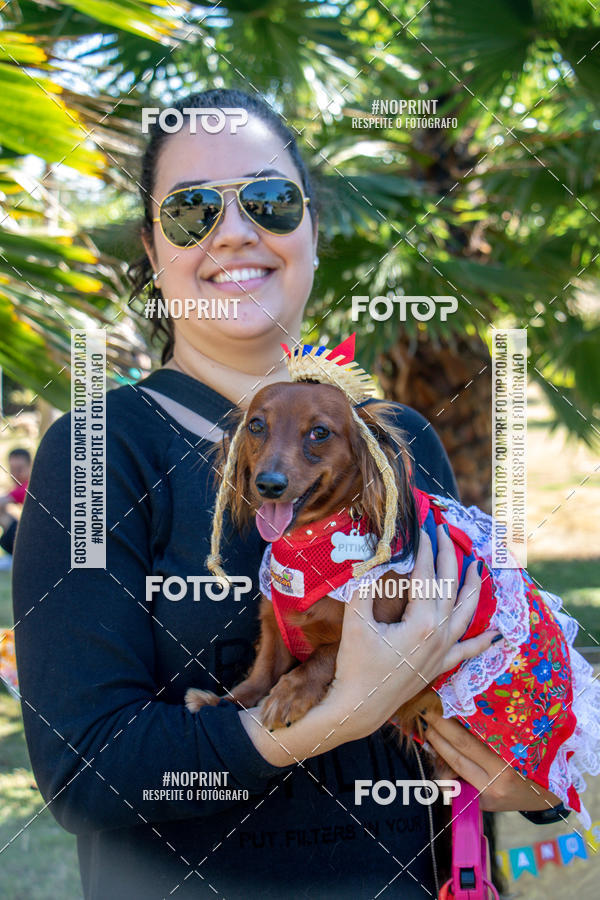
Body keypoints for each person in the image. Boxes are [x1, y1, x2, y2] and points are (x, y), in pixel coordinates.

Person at [12, 89, 565, 900]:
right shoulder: (99, 451)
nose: (235, 231)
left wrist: (532, 781)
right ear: (151, 245)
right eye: (192, 210)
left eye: (269, 201)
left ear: (310, 227)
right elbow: (86, 773)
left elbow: (479, 669)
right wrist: (329, 714)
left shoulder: (399, 440)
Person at [0, 447, 31, 557]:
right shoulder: (18, 489)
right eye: (12, 470)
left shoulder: (29, 487)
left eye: (20, 469)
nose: (15, 474)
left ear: (30, 467)